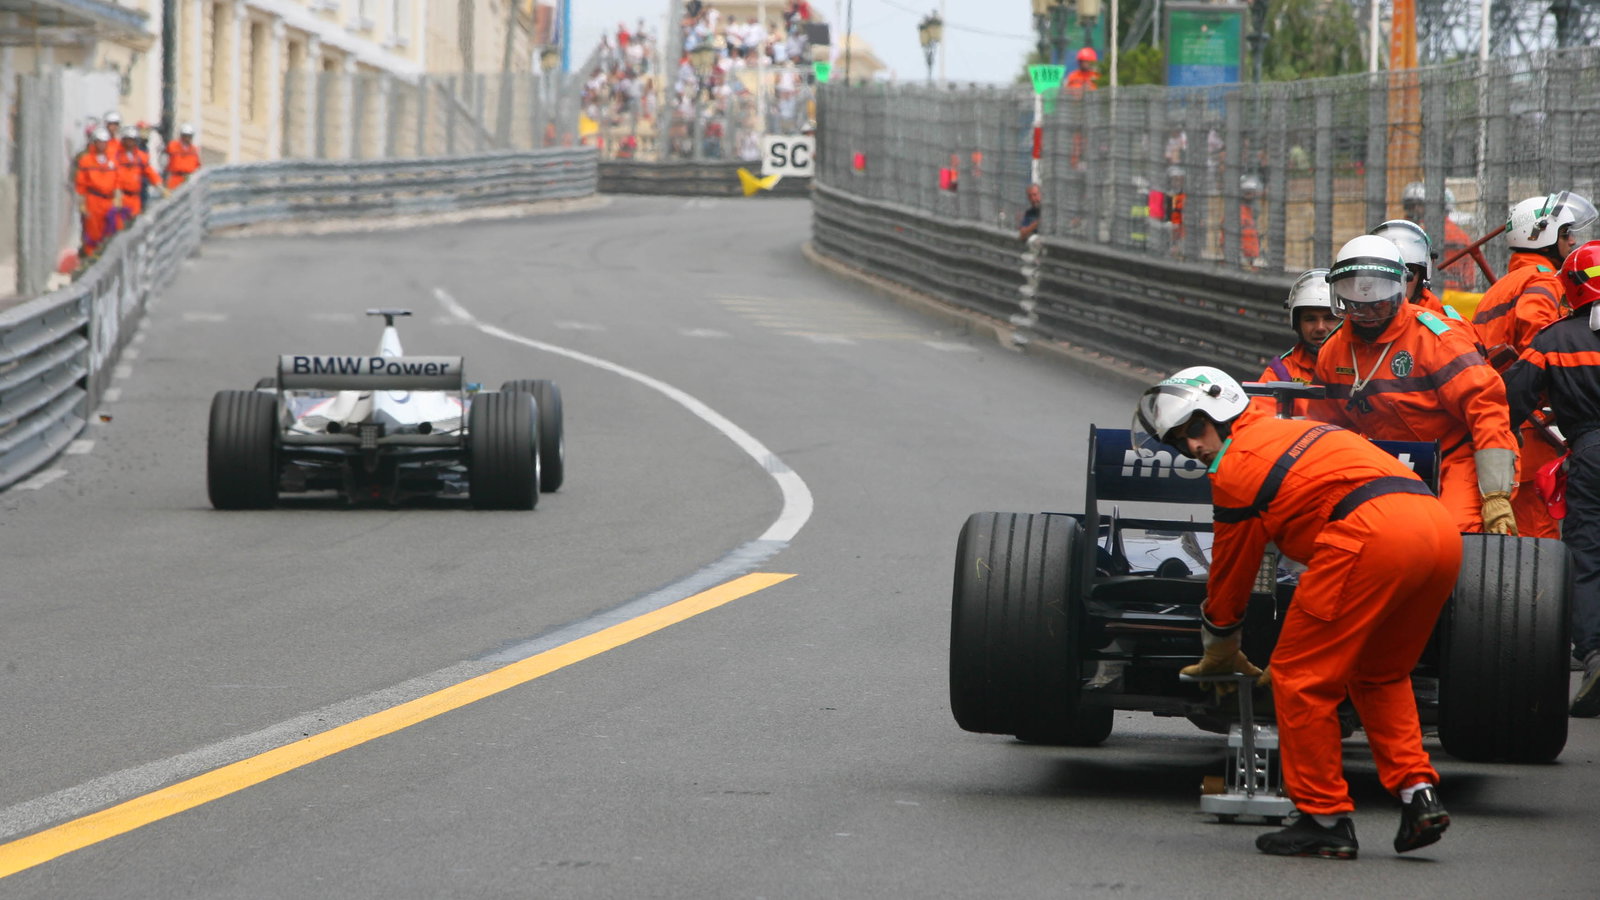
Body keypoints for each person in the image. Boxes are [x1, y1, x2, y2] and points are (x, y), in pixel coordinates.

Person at [1135, 366, 1458, 859]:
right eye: (1180, 443)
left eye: (1195, 431)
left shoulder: (1237, 465)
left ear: (1221, 414)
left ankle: (1323, 818)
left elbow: (1231, 569)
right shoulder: (1299, 429)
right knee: (1380, 674)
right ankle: (1419, 796)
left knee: (1300, 678)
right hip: (1438, 533)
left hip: (1371, 535)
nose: (1194, 449)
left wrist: (1220, 639)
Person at [1309, 235, 1519, 534]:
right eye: (1357, 307)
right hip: (1383, 461)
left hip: (1457, 457)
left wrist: (1495, 493)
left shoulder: (1436, 340)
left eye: (1377, 307)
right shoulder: (1334, 353)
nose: (1367, 316)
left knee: (1454, 533)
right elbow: (1326, 426)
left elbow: (1487, 408)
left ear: (1398, 293)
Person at [1504, 240, 1600, 715]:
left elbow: (1511, 402)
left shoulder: (1553, 340)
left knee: (1587, 554)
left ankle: (1596, 654)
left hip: (1590, 453)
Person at [1476, 191, 1597, 538]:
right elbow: (1537, 342)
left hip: (1504, 425)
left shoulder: (1505, 284)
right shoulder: (1542, 280)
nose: (1572, 241)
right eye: (1566, 234)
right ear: (1541, 235)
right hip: (1528, 435)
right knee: (1538, 542)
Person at [1403, 182, 1475, 292]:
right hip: (1456, 296)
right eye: (1411, 206)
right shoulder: (1462, 236)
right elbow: (1469, 282)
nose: (1414, 210)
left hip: (1423, 292)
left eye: (1419, 206)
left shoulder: (1413, 234)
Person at [74, 128, 121, 259]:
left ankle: (105, 257)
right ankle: (90, 258)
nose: (102, 145)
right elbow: (81, 184)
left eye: (104, 142)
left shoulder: (112, 161)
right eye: (99, 142)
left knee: (110, 231)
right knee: (93, 232)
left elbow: (117, 181)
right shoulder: (86, 160)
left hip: (109, 200)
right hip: (93, 200)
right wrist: (82, 204)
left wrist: (118, 198)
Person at [113, 125, 163, 219]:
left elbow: (150, 172)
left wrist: (159, 186)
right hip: (121, 197)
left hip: (135, 198)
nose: (130, 143)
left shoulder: (140, 156)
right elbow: (113, 177)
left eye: (132, 140)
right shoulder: (116, 156)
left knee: (135, 224)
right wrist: (116, 193)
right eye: (127, 140)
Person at [165, 123, 201, 189]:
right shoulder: (173, 146)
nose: (187, 138)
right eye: (185, 136)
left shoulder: (194, 150)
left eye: (189, 136)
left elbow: (197, 165)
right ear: (182, 136)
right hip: (176, 178)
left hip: (189, 179)